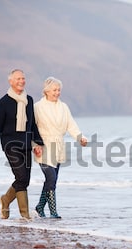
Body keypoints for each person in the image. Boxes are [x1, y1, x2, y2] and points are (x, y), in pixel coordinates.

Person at [0, 69, 44, 220]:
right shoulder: (3, 103)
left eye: (23, 78)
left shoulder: (29, 100)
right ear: (10, 81)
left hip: (26, 143)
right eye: (18, 78)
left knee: (24, 180)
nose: (21, 81)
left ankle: (5, 200)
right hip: (10, 144)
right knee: (20, 176)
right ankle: (25, 215)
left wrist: (38, 143)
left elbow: (32, 125)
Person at [33, 76, 87, 218]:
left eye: (59, 90)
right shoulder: (38, 107)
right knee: (50, 177)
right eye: (54, 90)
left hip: (58, 146)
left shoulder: (63, 107)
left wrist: (80, 137)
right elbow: (32, 128)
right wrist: (34, 145)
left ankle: (39, 207)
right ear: (46, 91)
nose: (57, 92)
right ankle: (53, 212)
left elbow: (71, 124)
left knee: (52, 179)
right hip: (43, 146)